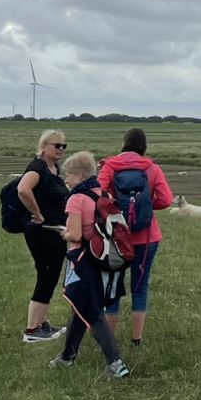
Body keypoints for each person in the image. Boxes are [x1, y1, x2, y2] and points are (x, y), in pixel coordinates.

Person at [51, 150, 130, 378]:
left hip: (82, 261)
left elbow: (75, 233)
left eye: (68, 175)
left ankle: (115, 364)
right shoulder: (102, 193)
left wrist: (63, 233)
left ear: (79, 175)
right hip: (102, 260)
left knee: (92, 313)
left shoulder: (76, 199)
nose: (65, 180)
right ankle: (67, 356)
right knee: (80, 307)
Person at [96, 127, 175, 349]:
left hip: (116, 236)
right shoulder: (152, 168)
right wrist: (148, 206)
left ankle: (109, 338)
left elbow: (98, 195)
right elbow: (166, 199)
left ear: (123, 143)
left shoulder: (109, 167)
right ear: (144, 146)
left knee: (113, 285)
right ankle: (136, 339)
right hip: (147, 236)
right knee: (140, 286)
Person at [15, 128, 70, 342]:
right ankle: (32, 330)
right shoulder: (37, 168)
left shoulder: (54, 168)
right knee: (47, 275)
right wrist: (37, 214)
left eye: (64, 146)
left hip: (54, 231)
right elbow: (23, 189)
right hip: (42, 231)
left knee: (50, 274)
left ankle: (41, 323)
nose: (61, 149)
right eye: (57, 145)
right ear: (44, 146)